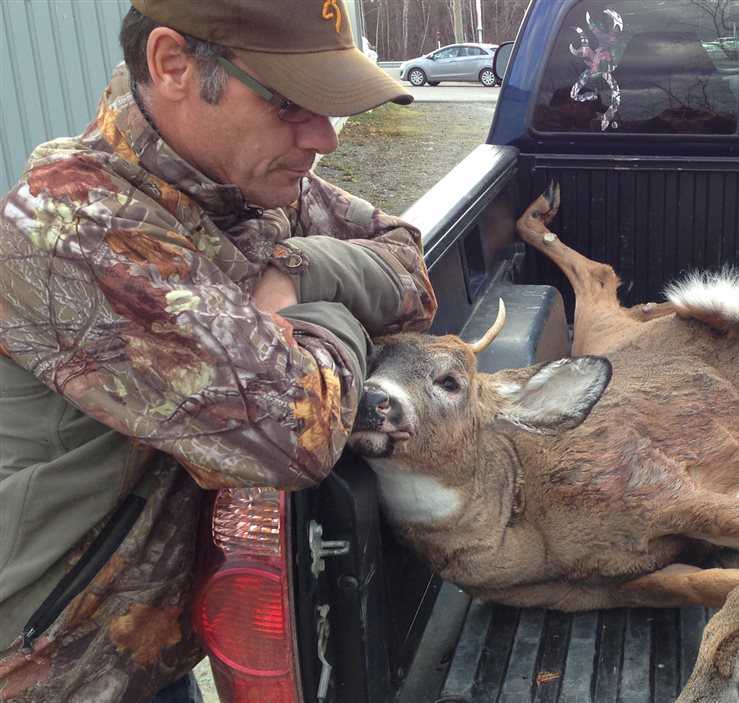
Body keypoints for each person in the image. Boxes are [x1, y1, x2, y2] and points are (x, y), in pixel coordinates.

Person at [0, 1, 438, 701]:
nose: (323, 137)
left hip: (150, 651)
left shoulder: (240, 185)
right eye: (292, 103)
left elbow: (409, 264)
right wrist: (334, 314)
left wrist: (298, 271)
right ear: (174, 65)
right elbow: (294, 434)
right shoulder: (71, 226)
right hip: (53, 669)